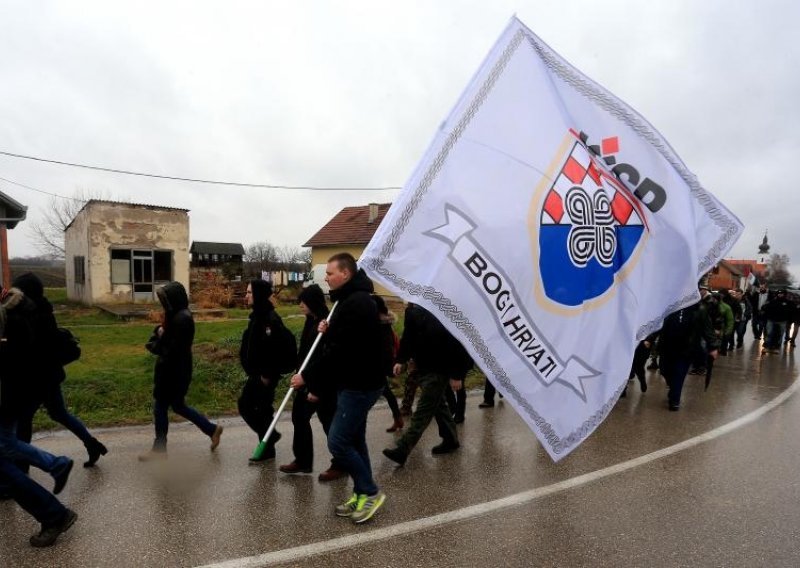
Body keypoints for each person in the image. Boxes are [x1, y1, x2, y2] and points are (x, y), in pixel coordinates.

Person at [290, 253, 386, 524]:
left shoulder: (356, 303)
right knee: (355, 440)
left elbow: (340, 351)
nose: (326, 278)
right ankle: (360, 493)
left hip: (359, 384)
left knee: (338, 441)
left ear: (345, 273)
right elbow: (344, 339)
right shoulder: (347, 301)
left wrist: (311, 381)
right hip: (352, 382)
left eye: (330, 273)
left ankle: (370, 491)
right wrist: (329, 329)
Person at [1, 287, 77, 548]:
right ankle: (56, 466)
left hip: (17, 391)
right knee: (7, 445)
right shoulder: (25, 313)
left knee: (59, 416)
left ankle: (53, 512)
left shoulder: (20, 317)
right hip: (22, 390)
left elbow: (22, 352)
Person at [11, 273, 107, 468]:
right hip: (48, 375)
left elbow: (33, 347)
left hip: (39, 377)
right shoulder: (42, 309)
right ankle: (92, 445)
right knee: (58, 414)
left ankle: (22, 467)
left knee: (24, 419)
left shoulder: (33, 313)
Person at [139, 282, 222, 460]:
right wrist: (159, 336)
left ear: (173, 299)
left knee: (161, 406)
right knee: (177, 406)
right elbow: (165, 339)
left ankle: (159, 449)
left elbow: (170, 348)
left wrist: (157, 342)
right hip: (175, 370)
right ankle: (212, 429)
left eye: (165, 299)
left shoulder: (182, 319)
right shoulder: (176, 315)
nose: (163, 303)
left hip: (174, 372)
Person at [382, 303, 473, 466]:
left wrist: (457, 374)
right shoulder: (413, 309)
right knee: (438, 406)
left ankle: (402, 449)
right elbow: (409, 337)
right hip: (422, 366)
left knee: (423, 411)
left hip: (441, 368)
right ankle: (451, 439)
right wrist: (401, 360)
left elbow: (460, 341)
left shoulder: (446, 306)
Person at [279, 284, 344, 481]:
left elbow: (326, 360)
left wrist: (317, 389)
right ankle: (303, 460)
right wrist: (299, 372)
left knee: (329, 424)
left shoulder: (327, 323)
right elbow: (306, 352)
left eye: (303, 301)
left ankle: (341, 463)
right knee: (299, 418)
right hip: (305, 381)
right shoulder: (311, 320)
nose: (300, 305)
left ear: (313, 302)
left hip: (322, 385)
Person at [238, 279, 288, 462]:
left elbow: (274, 348)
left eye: (249, 292)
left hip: (264, 375)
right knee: (263, 410)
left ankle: (270, 436)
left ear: (258, 294)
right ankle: (268, 449)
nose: (246, 296)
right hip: (258, 373)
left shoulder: (269, 318)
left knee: (246, 405)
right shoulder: (259, 315)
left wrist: (267, 374)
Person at [659, 292, 719, 411]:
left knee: (679, 374)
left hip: (686, 349)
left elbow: (708, 329)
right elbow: (658, 325)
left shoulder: (699, 310)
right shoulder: (669, 308)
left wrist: (713, 347)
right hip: (668, 347)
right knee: (665, 370)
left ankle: (674, 401)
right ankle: (673, 388)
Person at [372, 295, 404, 432]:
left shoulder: (381, 324)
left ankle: (398, 418)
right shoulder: (381, 322)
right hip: (379, 363)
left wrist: (388, 367)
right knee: (386, 391)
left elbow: (386, 348)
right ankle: (398, 418)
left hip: (378, 364)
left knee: (381, 391)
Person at [761, 289, 793, 354]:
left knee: (780, 335)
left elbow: (791, 312)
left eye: (782, 293)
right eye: (779, 293)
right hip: (771, 320)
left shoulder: (788, 303)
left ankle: (776, 347)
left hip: (782, 321)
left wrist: (789, 321)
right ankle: (767, 346)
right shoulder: (773, 301)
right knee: (769, 333)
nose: (780, 294)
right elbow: (766, 308)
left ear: (784, 294)